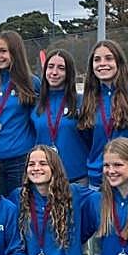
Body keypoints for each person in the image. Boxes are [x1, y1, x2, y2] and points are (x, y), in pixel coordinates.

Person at [76, 39, 128, 188]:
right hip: (99, 180)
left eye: (109, 58)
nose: (103, 63)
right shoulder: (86, 100)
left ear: (119, 62)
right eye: (97, 60)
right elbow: (86, 139)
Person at [0, 30, 39, 196]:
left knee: (20, 209)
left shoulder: (31, 83)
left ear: (15, 52)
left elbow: (38, 121)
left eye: (3, 51)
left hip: (19, 160)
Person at [32, 48, 90, 183]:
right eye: (50, 67)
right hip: (44, 179)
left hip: (77, 179)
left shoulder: (82, 102)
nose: (54, 72)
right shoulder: (35, 104)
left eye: (61, 68)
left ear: (69, 73)